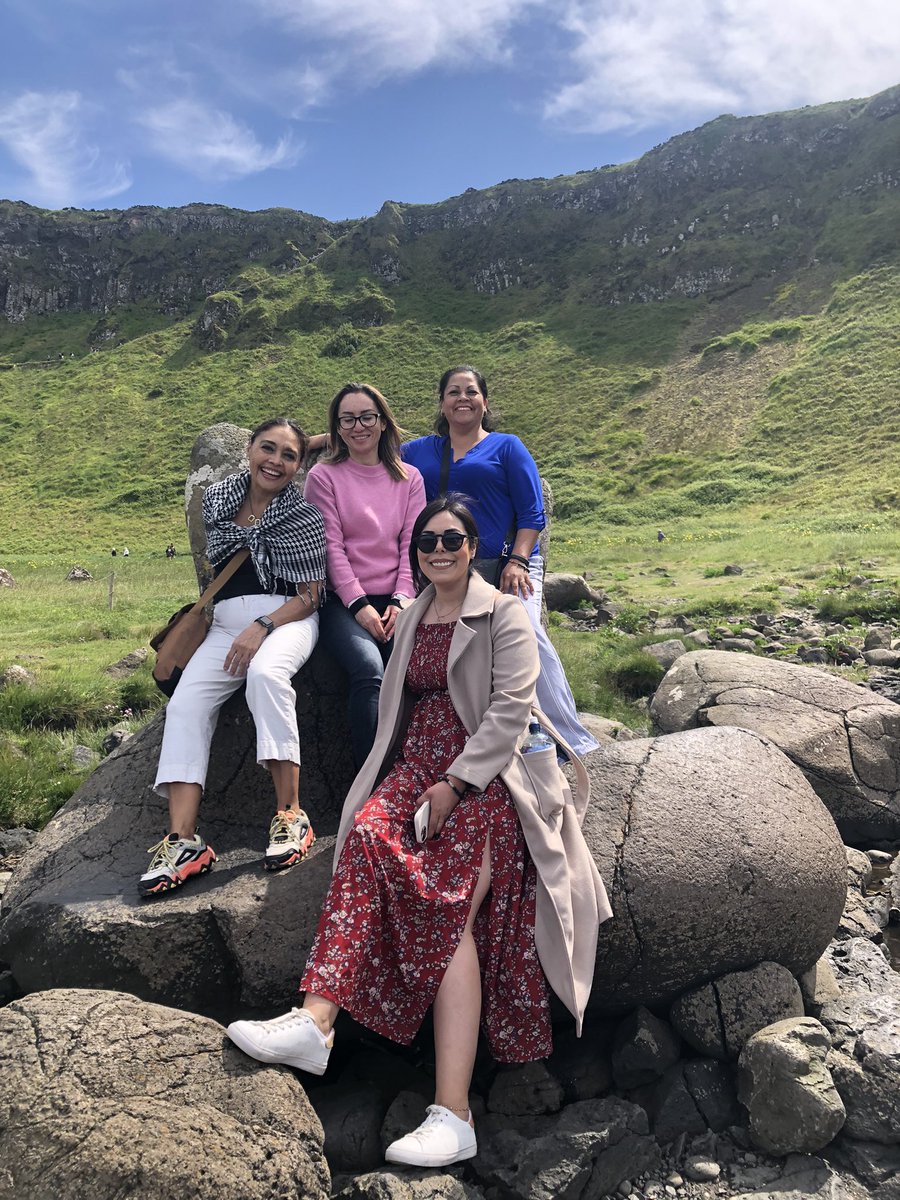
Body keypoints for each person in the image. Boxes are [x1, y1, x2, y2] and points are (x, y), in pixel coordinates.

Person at [225, 496, 611, 1168]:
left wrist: (456, 783)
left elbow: (511, 711)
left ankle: (453, 1112)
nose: (438, 549)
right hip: (415, 765)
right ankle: (316, 1022)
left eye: (452, 539)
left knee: (446, 901)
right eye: (427, 541)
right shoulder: (414, 616)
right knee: (370, 836)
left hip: (489, 775)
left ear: (472, 544)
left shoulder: (504, 613)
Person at [140, 417, 327, 897]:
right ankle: (183, 841)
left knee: (266, 674)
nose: (277, 461)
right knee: (184, 705)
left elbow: (312, 594)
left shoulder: (304, 514)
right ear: (249, 449)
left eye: (289, 456)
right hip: (224, 623)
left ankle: (291, 815)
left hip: (287, 619)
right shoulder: (220, 501)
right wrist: (241, 627)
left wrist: (263, 626)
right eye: (268, 449)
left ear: (299, 465)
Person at [402, 366, 600, 757]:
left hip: (510, 563)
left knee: (525, 633)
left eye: (471, 391)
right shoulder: (418, 450)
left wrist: (519, 562)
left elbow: (532, 514)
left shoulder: (508, 446)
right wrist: (318, 440)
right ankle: (498, 733)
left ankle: (569, 738)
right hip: (451, 564)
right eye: (454, 392)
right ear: (441, 403)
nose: (463, 398)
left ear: (484, 401)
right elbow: (369, 446)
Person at [303, 383, 426, 767]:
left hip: (397, 599)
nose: (359, 426)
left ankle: (418, 775)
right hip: (343, 602)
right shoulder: (323, 477)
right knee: (370, 669)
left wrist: (402, 600)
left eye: (367, 416)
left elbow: (413, 544)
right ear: (337, 428)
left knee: (412, 671)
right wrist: (359, 605)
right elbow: (330, 547)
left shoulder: (410, 479)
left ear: (383, 422)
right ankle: (370, 783)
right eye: (348, 419)